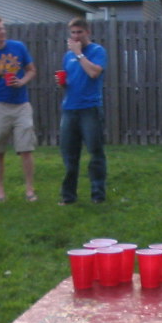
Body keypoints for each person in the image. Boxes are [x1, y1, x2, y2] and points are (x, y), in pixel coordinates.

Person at [0, 17, 38, 202]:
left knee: (26, 148)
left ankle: (29, 189)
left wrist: (22, 81)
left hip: (22, 105)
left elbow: (32, 70)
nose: (2, 32)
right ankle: (1, 191)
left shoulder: (18, 47)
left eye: (3, 28)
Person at [58, 17, 108, 205]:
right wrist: (63, 83)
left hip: (90, 109)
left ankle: (98, 195)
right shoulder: (67, 56)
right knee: (69, 155)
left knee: (95, 153)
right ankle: (68, 196)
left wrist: (79, 54)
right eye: (73, 33)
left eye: (80, 32)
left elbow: (94, 73)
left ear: (88, 32)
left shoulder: (97, 51)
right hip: (69, 109)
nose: (76, 36)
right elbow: (71, 80)